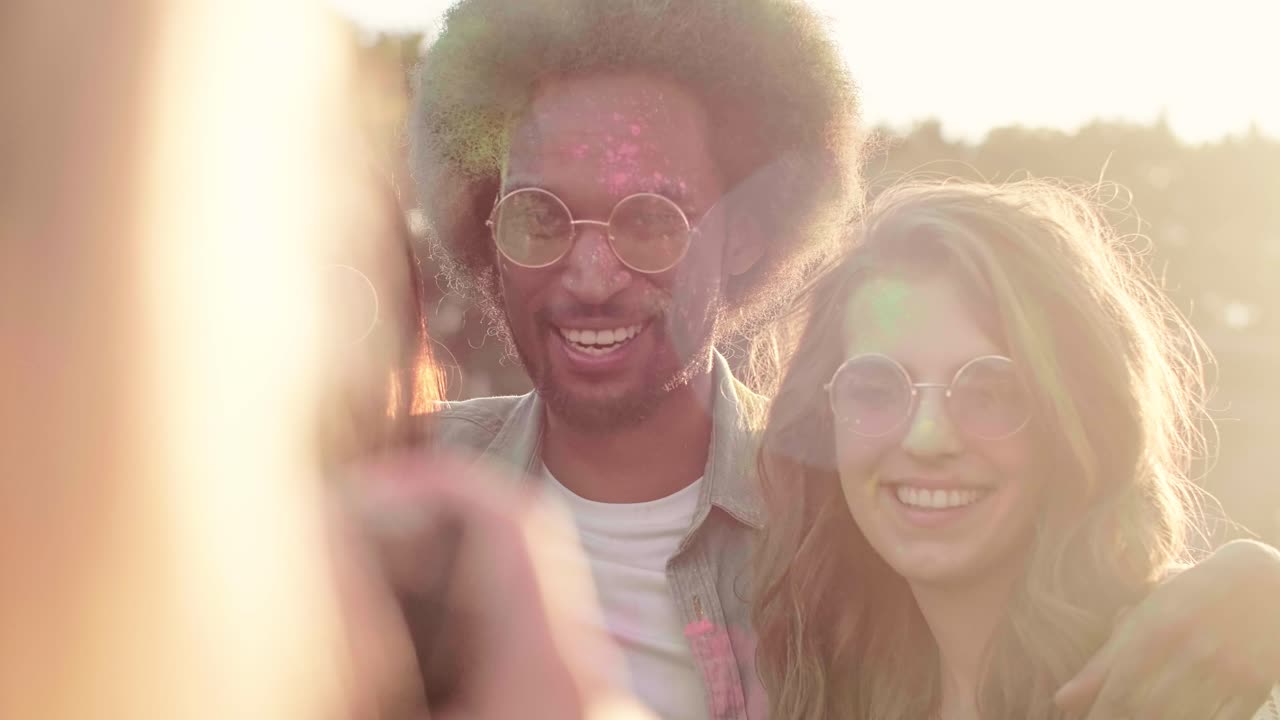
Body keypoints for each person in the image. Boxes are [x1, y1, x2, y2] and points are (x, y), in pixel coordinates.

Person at [403, 1, 1280, 718]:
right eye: (540, 216)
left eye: (650, 221)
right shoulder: (385, 489)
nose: (591, 276)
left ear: (744, 235)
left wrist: (1260, 594)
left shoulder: (839, 518)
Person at [753, 178, 1280, 719]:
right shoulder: (824, 682)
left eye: (991, 391)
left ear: (1077, 418)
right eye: (875, 389)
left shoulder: (1194, 688)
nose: (927, 438)